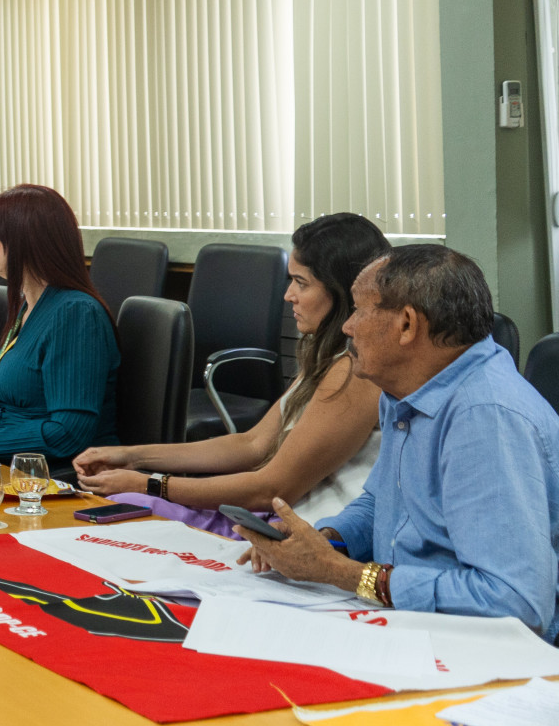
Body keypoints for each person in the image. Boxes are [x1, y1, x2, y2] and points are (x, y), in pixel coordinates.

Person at [237, 245, 559, 640]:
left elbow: (516, 603)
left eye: (358, 310)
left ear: (407, 325)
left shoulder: (485, 417)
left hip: (485, 655)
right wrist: (324, 541)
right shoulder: (406, 390)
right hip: (413, 627)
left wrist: (344, 574)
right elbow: (384, 501)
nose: (347, 326)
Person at [74, 213, 389, 534]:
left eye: (301, 283)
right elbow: (253, 445)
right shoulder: (328, 355)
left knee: (130, 506)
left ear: (342, 292)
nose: (288, 294)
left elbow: (271, 490)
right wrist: (133, 457)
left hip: (306, 531)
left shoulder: (355, 371)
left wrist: (149, 483)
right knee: (125, 501)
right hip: (277, 515)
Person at [0, 185, 118, 465]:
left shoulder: (75, 314)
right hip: (17, 465)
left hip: (61, 478)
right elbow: (26, 406)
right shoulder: (29, 304)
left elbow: (68, 434)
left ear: (21, 242)